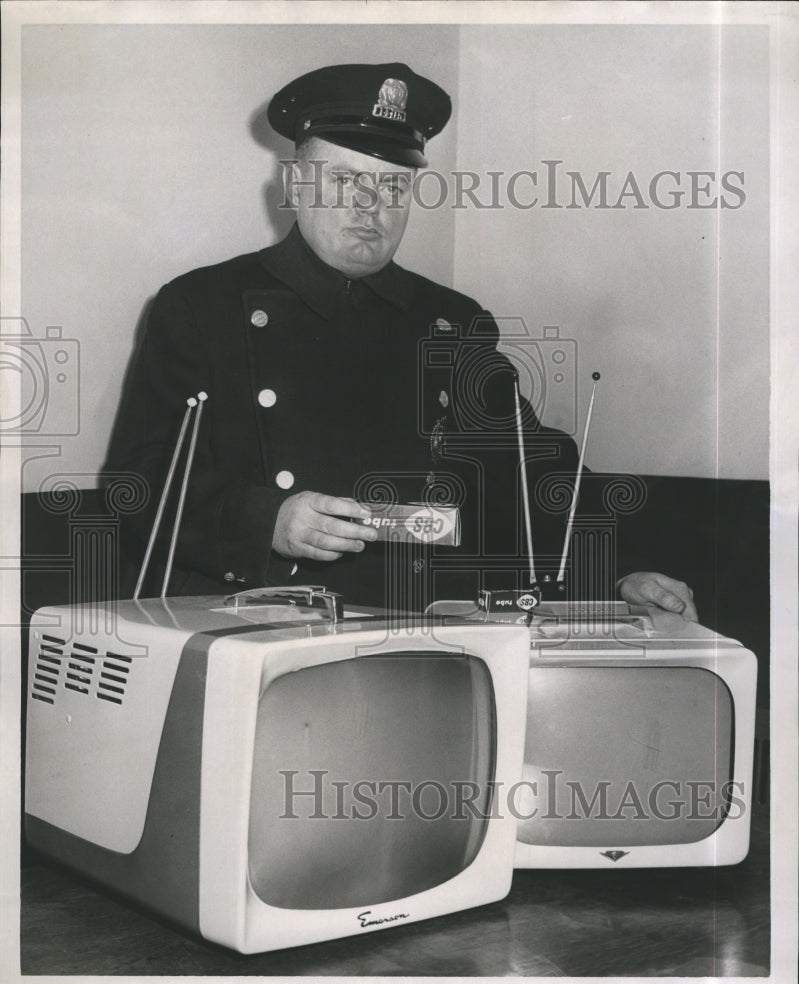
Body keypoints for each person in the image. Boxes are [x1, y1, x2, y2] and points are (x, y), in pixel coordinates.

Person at [105, 62, 696, 620]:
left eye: (393, 186)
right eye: (345, 180)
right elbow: (138, 484)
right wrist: (269, 520)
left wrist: (624, 569)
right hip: (262, 623)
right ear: (294, 184)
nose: (371, 207)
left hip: (423, 626)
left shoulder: (450, 321)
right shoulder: (202, 307)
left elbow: (528, 468)